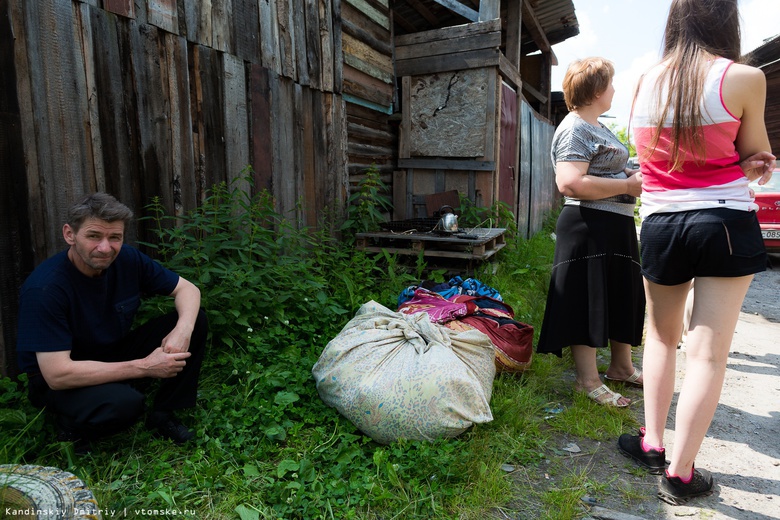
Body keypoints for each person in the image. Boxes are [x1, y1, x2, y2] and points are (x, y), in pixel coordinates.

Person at [617, 0, 775, 505]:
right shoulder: (744, 77)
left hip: (661, 223)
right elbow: (755, 158)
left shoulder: (644, 78)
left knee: (660, 338)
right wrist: (758, 166)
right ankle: (680, 474)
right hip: (724, 222)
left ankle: (652, 443)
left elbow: (648, 157)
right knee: (708, 351)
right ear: (726, 21)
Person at [16, 192, 208, 450]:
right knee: (126, 404)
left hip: (110, 352)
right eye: (94, 236)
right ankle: (71, 426)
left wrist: (183, 330)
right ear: (70, 235)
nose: (105, 247)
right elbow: (57, 375)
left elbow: (188, 290)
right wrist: (144, 367)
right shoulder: (46, 289)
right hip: (61, 377)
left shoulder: (127, 259)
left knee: (194, 319)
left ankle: (164, 413)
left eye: (114, 237)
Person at [537, 57, 646, 408]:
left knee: (618, 294)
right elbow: (569, 182)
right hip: (589, 224)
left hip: (613, 224)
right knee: (588, 299)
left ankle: (621, 367)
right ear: (598, 89)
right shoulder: (575, 128)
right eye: (611, 83)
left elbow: (608, 168)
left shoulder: (597, 126)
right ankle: (587, 380)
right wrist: (628, 187)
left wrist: (635, 172)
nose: (615, 89)